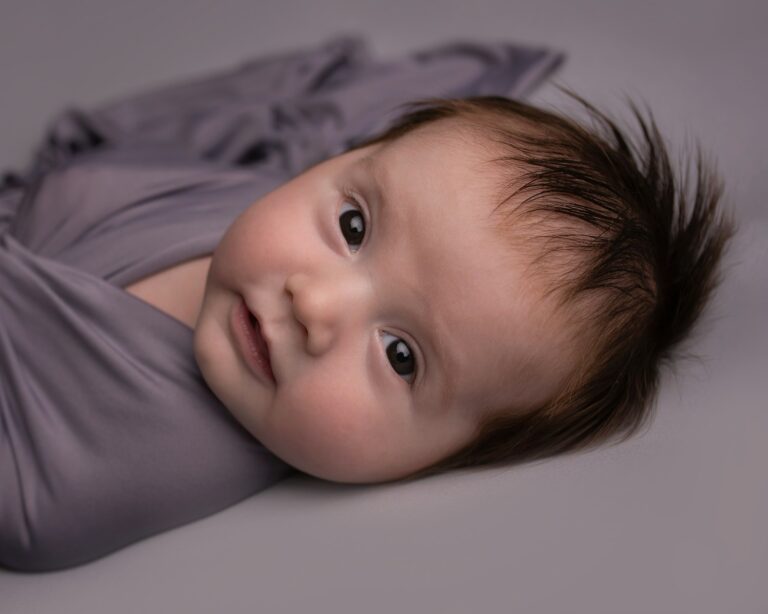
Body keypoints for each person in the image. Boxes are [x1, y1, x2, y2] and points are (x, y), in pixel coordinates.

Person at [191, 93, 736, 484]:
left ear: (457, 456)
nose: (314, 304)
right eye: (352, 227)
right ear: (346, 152)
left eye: (400, 356)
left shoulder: (145, 453)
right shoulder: (212, 176)